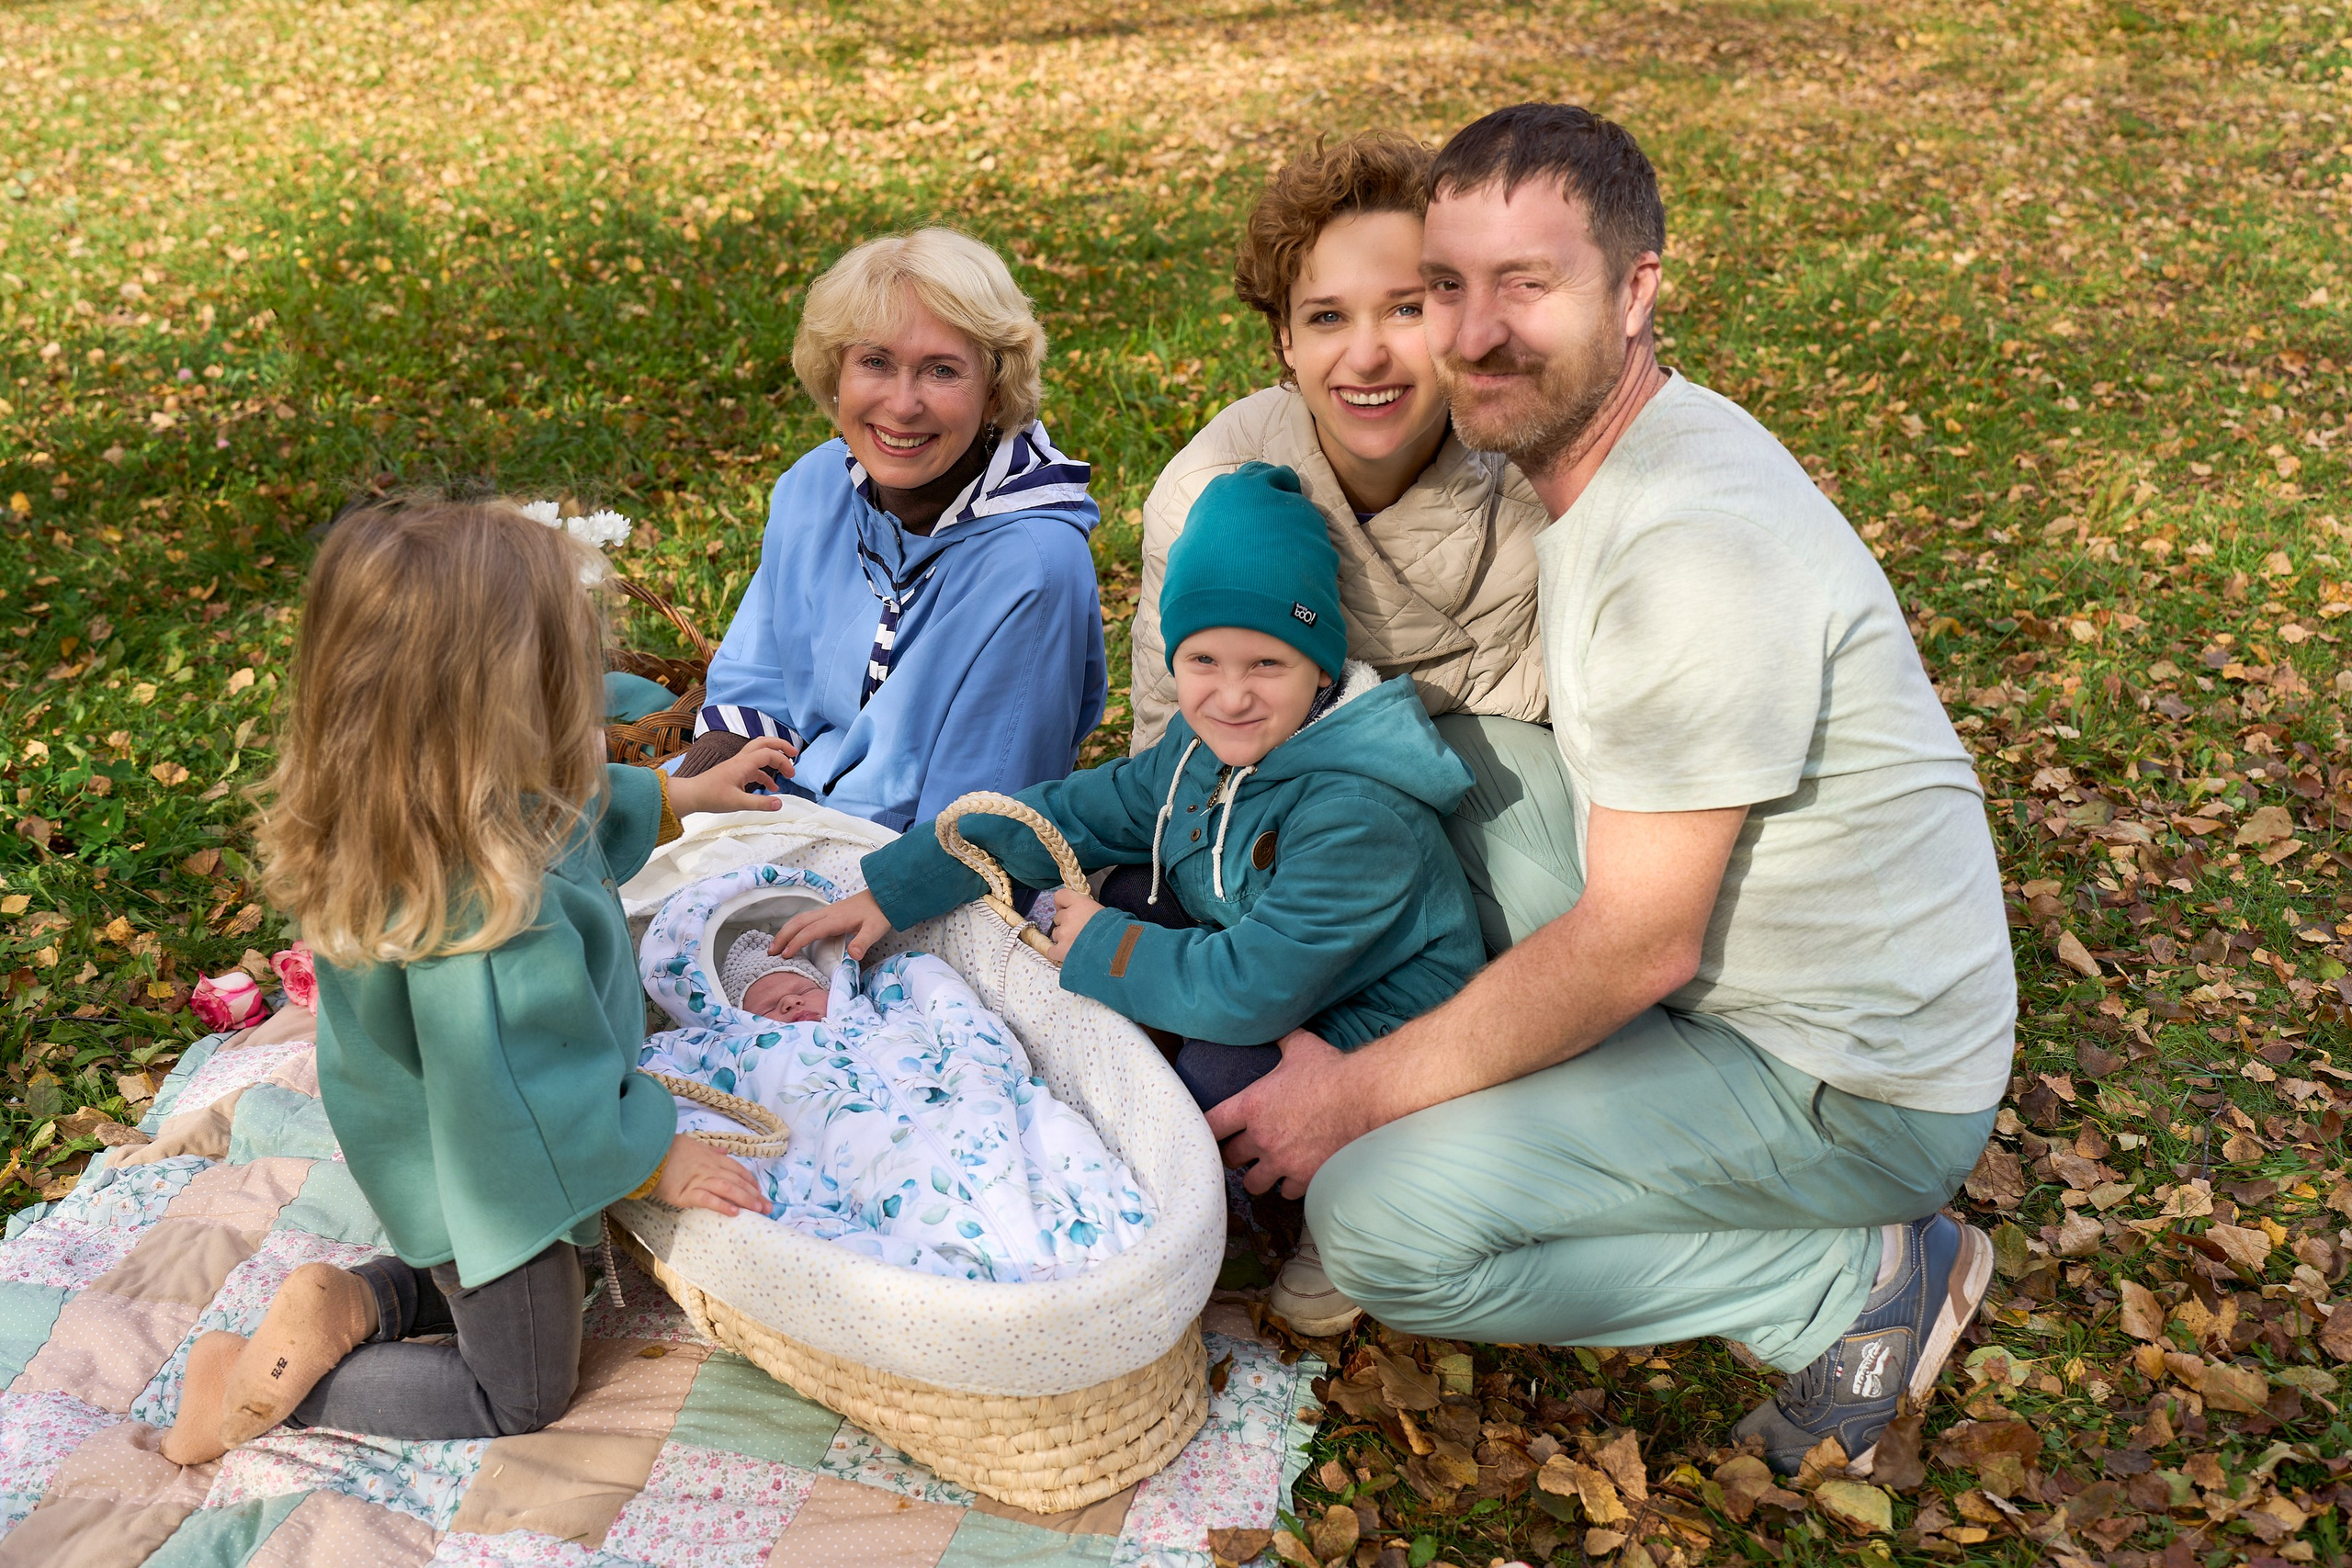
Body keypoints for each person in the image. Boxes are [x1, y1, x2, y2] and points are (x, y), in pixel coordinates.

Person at [1205, 105, 2015, 1474]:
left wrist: (1354, 1094)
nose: (1473, 333)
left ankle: (1853, 1281)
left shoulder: (1690, 548)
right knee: (1428, 770)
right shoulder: (1607, 460)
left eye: (1529, 284)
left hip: (1848, 1075)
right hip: (1736, 964)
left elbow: (1639, 939)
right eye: (1448, 286)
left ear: (1637, 290)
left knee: (1380, 1221)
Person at [772, 463, 1484, 1329]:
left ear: (1321, 666)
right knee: (1139, 892)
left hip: (1371, 1043)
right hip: (1270, 976)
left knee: (1212, 1063)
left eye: (1268, 661)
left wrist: (1102, 947)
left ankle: (1319, 1217)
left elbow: (1254, 985)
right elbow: (1069, 814)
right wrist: (898, 886)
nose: (1229, 694)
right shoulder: (1201, 751)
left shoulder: (1359, 810)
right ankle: (1151, 1141)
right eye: (1202, 660)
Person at [160, 499, 778, 1465]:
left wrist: (675, 795)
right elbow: (536, 1100)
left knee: (490, 1271)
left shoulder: (445, 806)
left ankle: (359, 1298)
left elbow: (570, 805)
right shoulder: (489, 928)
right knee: (521, 1383)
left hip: (436, 1143)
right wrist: (653, 1160)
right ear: (497, 708)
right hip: (485, 1169)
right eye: (568, 671)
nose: (591, 691)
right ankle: (264, 1383)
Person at [1127, 131, 1547, 761]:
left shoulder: (1539, 474)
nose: (1367, 356)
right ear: (1286, 337)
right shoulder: (1203, 490)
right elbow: (1169, 762)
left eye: (1406, 310)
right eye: (1327, 317)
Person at [675, 228, 1107, 836]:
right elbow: (753, 687)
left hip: (900, 869)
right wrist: (685, 820)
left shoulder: (1034, 565)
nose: (902, 405)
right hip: (772, 814)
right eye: (875, 362)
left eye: (941, 371)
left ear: (994, 390)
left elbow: (973, 826)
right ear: (835, 371)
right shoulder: (814, 487)